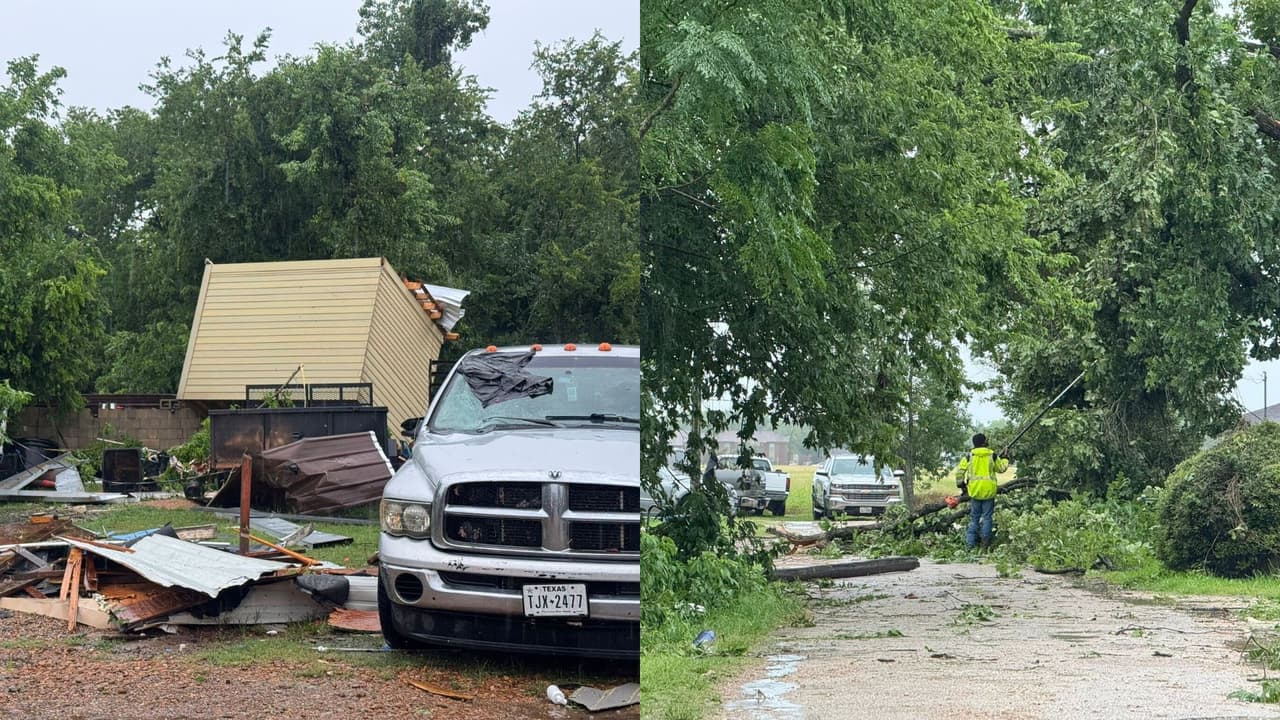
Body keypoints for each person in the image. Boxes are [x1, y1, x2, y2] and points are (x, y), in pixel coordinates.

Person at [954, 433, 1009, 549]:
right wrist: (1005, 458)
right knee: (987, 517)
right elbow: (1001, 469)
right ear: (984, 442)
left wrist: (962, 485)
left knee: (974, 518)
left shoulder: (969, 456)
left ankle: (970, 545)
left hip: (975, 492)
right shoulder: (992, 455)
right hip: (989, 492)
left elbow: (959, 473)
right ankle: (985, 544)